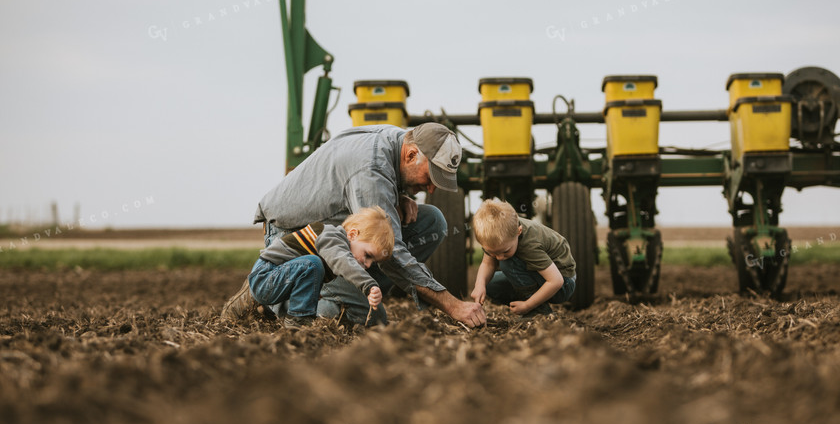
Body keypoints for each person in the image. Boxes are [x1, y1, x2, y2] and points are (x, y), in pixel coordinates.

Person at [221, 123, 486, 328]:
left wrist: (398, 195)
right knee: (349, 316)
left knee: (433, 221)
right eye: (430, 177)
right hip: (292, 237)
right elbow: (393, 253)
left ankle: (356, 293)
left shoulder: (398, 139)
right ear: (411, 154)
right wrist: (452, 305)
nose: (430, 188)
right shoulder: (371, 169)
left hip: (334, 231)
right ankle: (274, 299)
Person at [242, 207, 394, 329]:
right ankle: (297, 320)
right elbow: (341, 260)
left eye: (372, 261)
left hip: (278, 281)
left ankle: (274, 310)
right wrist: (368, 284)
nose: (367, 264)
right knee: (313, 263)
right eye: (368, 255)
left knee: (315, 278)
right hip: (265, 276)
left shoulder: (336, 244)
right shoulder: (331, 236)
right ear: (353, 235)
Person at [470, 198, 576, 316]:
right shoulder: (499, 234)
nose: (499, 257)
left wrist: (528, 305)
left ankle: (537, 311)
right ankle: (532, 302)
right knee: (490, 284)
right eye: (493, 253)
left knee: (508, 263)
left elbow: (556, 281)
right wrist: (479, 285)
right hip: (543, 277)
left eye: (505, 251)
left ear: (519, 231)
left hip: (563, 283)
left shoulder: (530, 244)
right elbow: (488, 263)